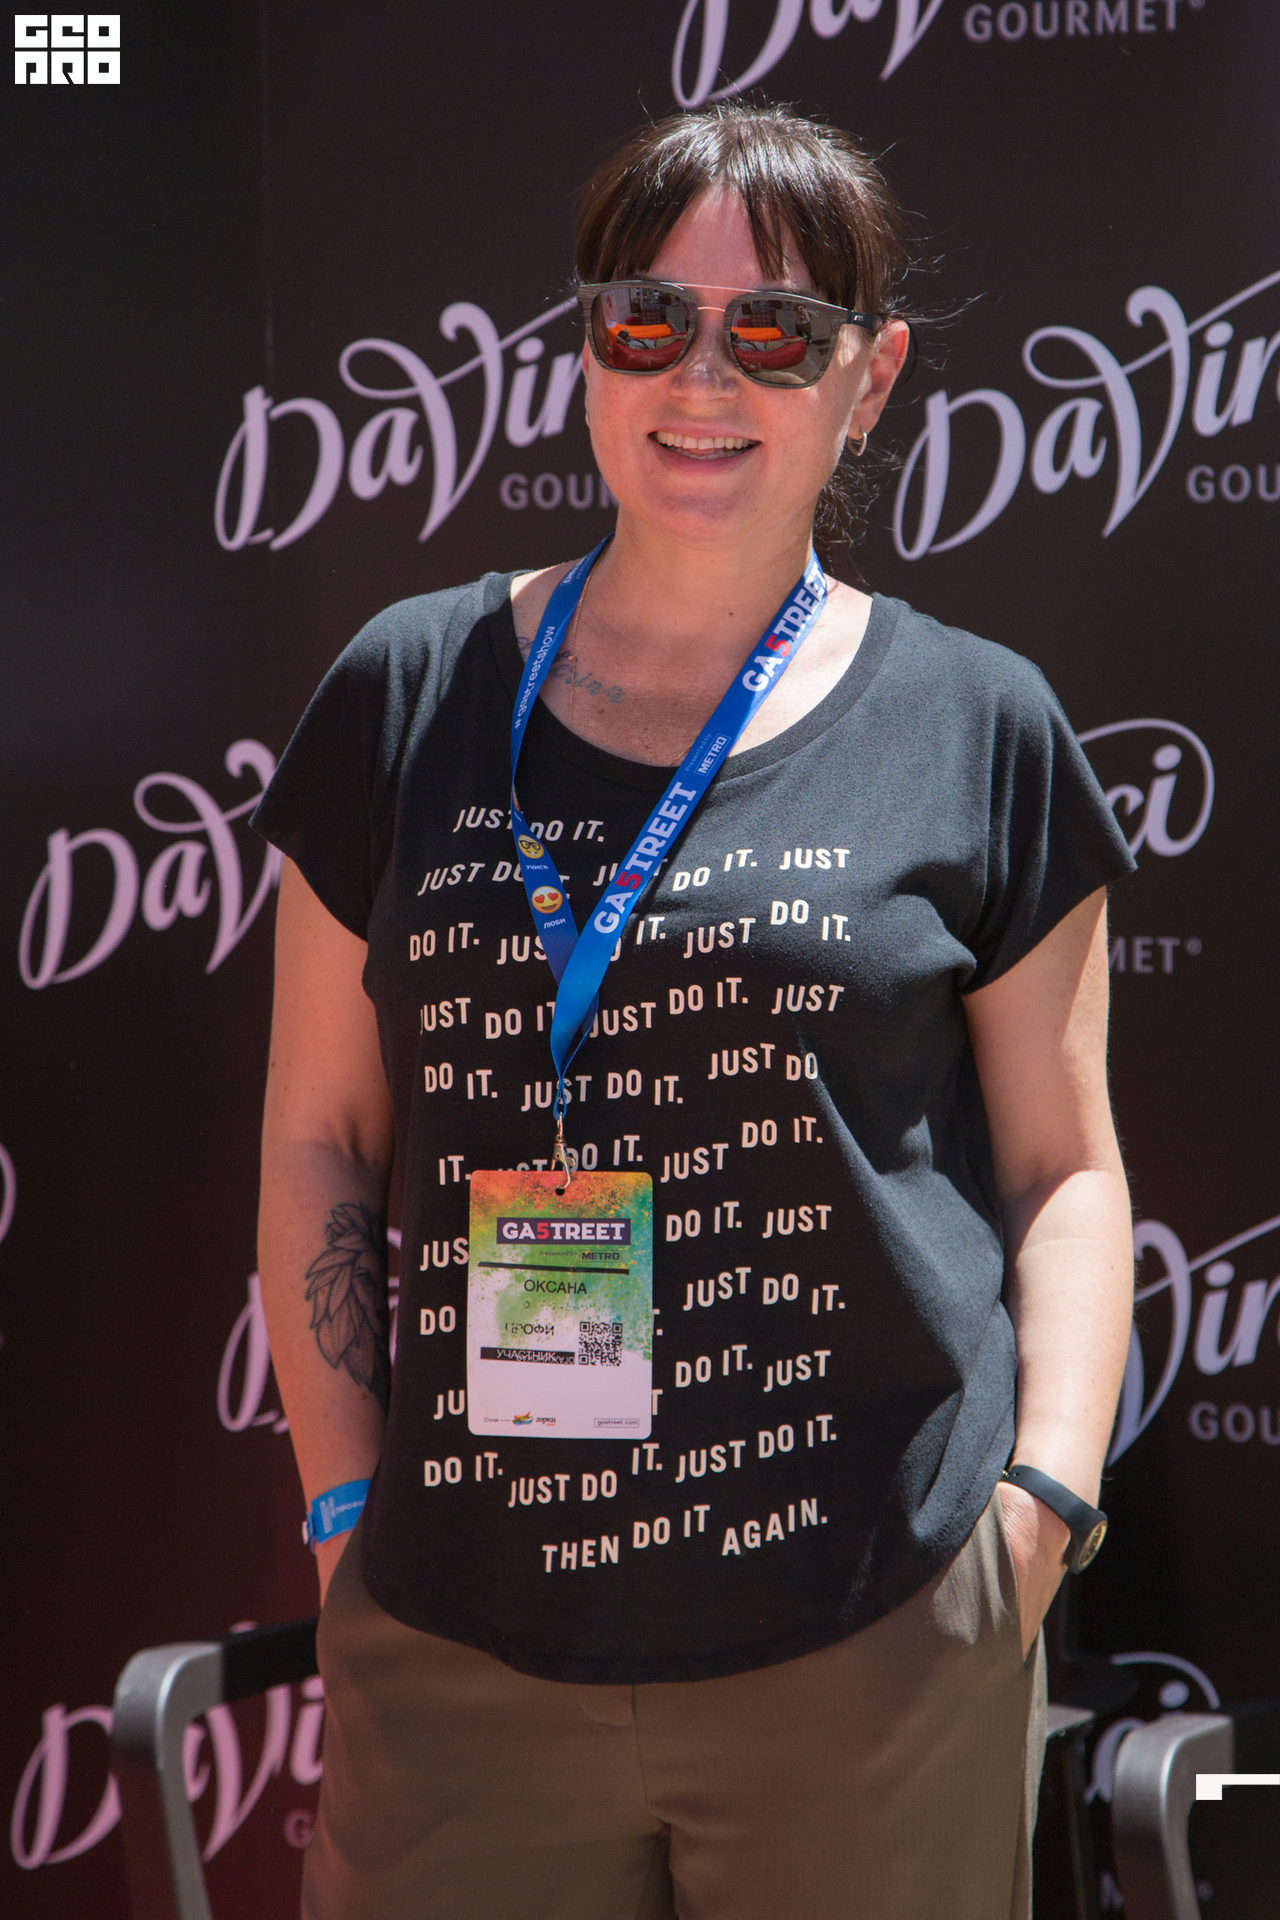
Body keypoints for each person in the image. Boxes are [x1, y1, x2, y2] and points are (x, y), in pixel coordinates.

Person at [254, 102, 1136, 1920]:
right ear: (586, 350)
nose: (703, 378)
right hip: (461, 1642)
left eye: (778, 333)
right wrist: (345, 1516)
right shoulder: (405, 690)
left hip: (871, 1637)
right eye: (646, 320)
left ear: (870, 378)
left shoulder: (978, 723)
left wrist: (1037, 1515)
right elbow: (320, 1133)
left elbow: (1064, 1169)